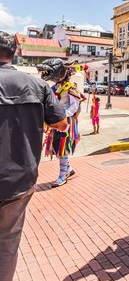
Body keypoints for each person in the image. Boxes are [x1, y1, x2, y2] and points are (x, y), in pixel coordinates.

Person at [0, 31, 68, 281]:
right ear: (15, 51)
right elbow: (60, 123)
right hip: (19, 179)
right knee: (7, 246)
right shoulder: (37, 85)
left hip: (19, 179)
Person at [36, 58, 86, 188]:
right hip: (57, 121)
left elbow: (74, 106)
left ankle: (63, 174)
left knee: (62, 147)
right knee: (56, 146)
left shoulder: (71, 87)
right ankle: (68, 169)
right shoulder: (54, 87)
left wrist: (62, 115)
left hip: (66, 122)